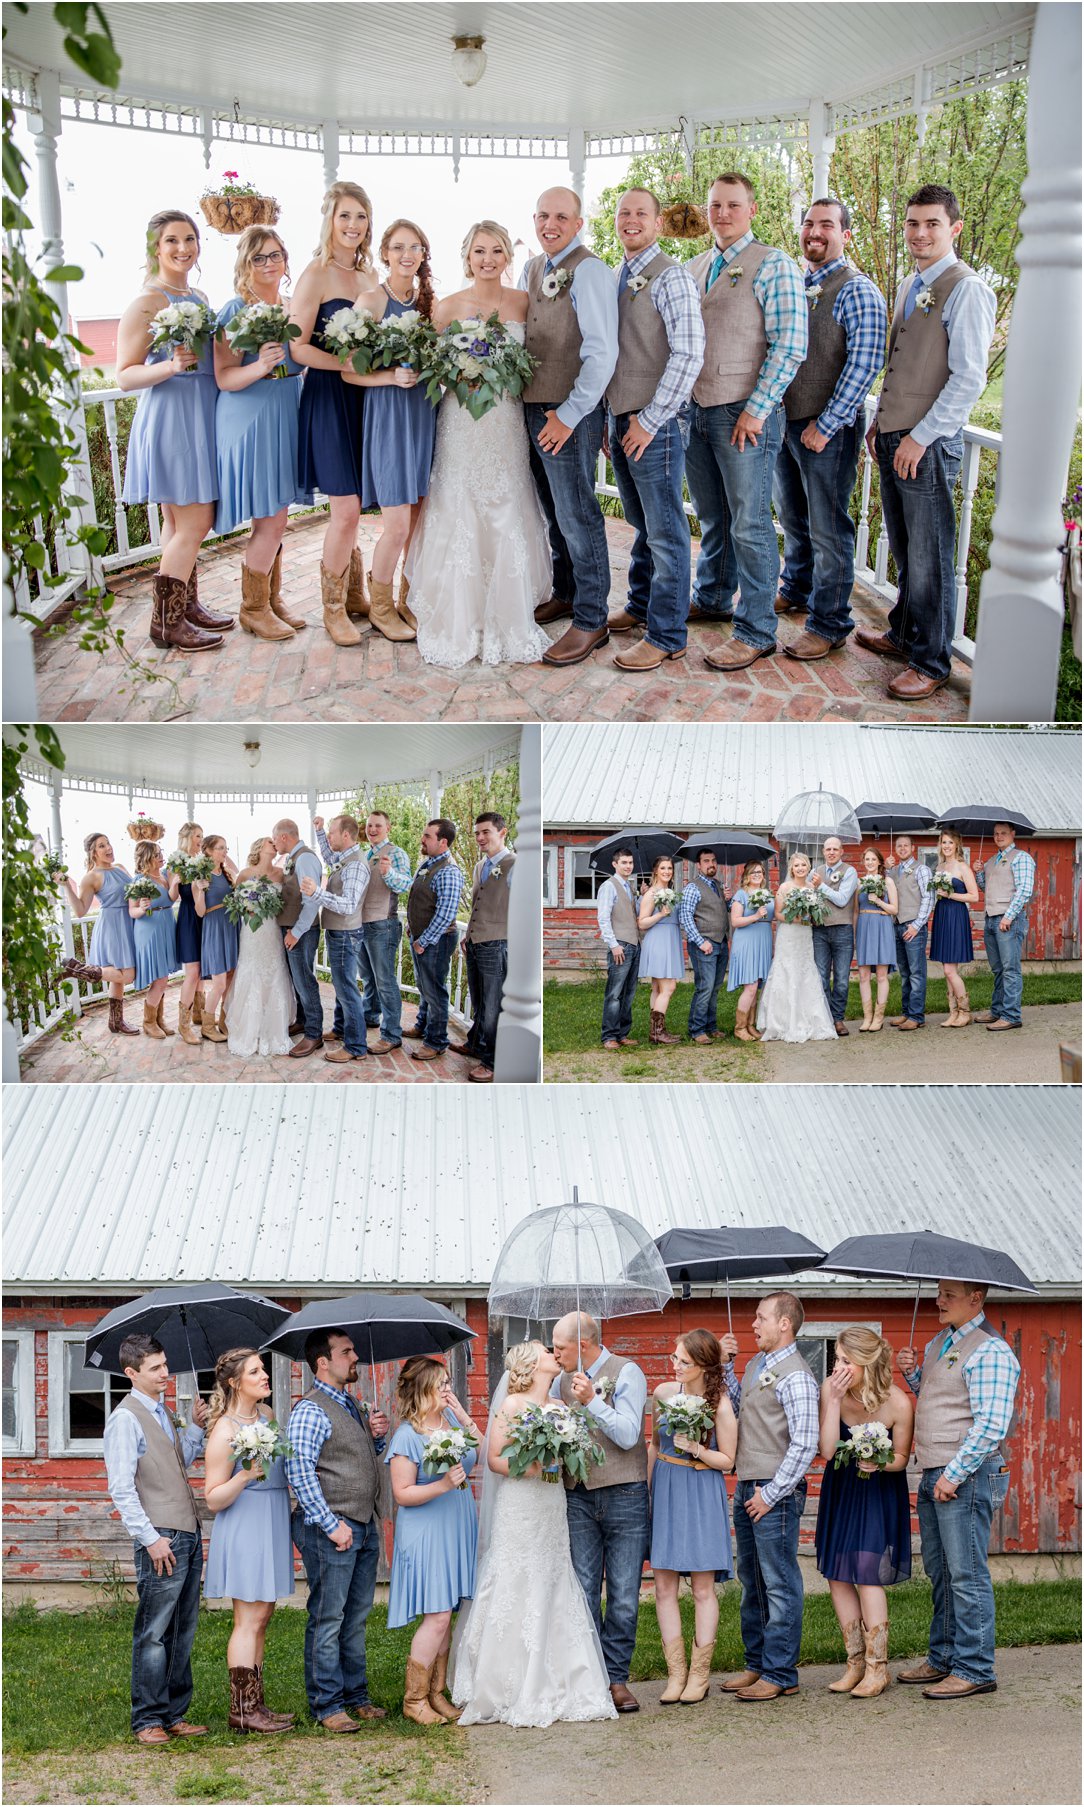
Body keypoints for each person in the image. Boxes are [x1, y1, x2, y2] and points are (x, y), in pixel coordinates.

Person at [856, 184, 997, 701]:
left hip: (928, 444)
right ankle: (903, 632)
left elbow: (967, 379)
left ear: (954, 228)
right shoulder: (908, 285)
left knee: (931, 556)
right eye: (913, 223)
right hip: (896, 434)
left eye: (931, 224)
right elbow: (904, 364)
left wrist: (919, 436)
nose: (919, 233)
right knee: (905, 545)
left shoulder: (968, 289)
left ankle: (931, 660)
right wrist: (882, 422)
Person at [405, 220, 551, 666]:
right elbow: (431, 366)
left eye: (497, 251)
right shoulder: (447, 309)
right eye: (479, 252)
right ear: (467, 257)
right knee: (461, 499)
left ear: (508, 257)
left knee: (507, 498)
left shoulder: (525, 303)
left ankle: (508, 603)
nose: (488, 260)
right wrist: (460, 372)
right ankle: (458, 606)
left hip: (506, 420)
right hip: (463, 420)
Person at [450, 1341, 617, 1726]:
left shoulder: (559, 1408)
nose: (553, 1356)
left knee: (553, 1575)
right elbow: (494, 1460)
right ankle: (506, 1683)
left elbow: (564, 1457)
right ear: (530, 1364)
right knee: (516, 1577)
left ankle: (564, 1679)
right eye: (546, 1352)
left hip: (551, 1504)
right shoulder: (511, 1405)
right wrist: (532, 1467)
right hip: (521, 1504)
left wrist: (563, 1456)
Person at [684, 173, 807, 673]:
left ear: (752, 210)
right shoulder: (695, 266)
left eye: (733, 205)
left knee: (751, 523)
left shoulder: (773, 264)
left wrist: (757, 408)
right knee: (712, 516)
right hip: (696, 408)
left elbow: (790, 344)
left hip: (744, 413)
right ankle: (713, 595)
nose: (723, 214)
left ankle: (755, 630)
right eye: (716, 206)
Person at [774, 198, 887, 662]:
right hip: (788, 421)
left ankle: (830, 623)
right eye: (808, 223)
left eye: (826, 225)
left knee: (828, 527)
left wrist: (828, 422)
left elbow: (866, 363)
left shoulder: (856, 289)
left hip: (828, 428)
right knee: (795, 519)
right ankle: (797, 588)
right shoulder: (797, 284)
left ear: (845, 234)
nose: (814, 232)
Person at [898, 1280, 1020, 1698]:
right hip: (937, 1472)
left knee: (966, 1573)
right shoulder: (939, 1344)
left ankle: (975, 1667)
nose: (938, 1300)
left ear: (976, 1299)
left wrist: (954, 1473)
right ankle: (944, 1656)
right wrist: (914, 1374)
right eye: (938, 1293)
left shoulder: (990, 1351)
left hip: (965, 1475)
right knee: (941, 1570)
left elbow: (989, 1425)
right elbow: (942, 1401)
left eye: (949, 1294)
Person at [117, 209, 232, 651]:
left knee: (175, 521)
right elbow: (124, 375)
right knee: (196, 519)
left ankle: (184, 607)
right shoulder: (147, 302)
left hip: (200, 411)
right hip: (173, 414)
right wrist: (171, 365)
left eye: (189, 239)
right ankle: (165, 624)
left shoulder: (199, 295)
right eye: (171, 241)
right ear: (155, 248)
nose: (183, 248)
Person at [605, 187, 704, 671]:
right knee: (642, 523)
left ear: (658, 222)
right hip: (621, 417)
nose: (631, 220)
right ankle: (642, 604)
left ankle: (667, 635)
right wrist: (611, 415)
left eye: (641, 213)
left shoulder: (672, 278)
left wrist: (648, 420)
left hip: (655, 424)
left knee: (666, 531)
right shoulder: (617, 275)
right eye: (624, 213)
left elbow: (689, 355)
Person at [521, 187, 619, 668]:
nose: (549, 224)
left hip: (568, 414)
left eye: (560, 216)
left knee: (579, 514)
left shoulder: (592, 270)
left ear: (578, 223)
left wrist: (569, 414)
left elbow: (602, 353)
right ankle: (566, 591)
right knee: (553, 511)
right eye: (542, 215)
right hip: (530, 408)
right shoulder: (533, 268)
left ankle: (591, 618)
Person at [101, 1334, 209, 1744]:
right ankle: (147, 1718)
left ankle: (174, 1714)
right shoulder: (125, 1418)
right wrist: (150, 1539)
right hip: (161, 1537)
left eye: (165, 1365)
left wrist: (195, 1430)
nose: (165, 1374)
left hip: (187, 1530)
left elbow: (176, 1463)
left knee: (182, 1628)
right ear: (131, 1373)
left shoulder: (163, 1413)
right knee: (153, 1631)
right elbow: (121, 1488)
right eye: (155, 1368)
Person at [285, 1330, 390, 1732]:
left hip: (362, 1524)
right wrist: (331, 1526)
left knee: (356, 1616)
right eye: (346, 1352)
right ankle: (327, 1704)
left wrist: (375, 1439)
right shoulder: (311, 1409)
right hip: (332, 1529)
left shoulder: (350, 1404)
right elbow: (300, 1471)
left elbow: (352, 1459)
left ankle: (356, 1695)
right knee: (329, 1617)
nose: (355, 1356)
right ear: (322, 1363)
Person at [291, 181, 381, 647]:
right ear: (330, 220)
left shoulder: (370, 279)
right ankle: (331, 609)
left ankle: (354, 594)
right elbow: (297, 345)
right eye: (345, 216)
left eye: (360, 216)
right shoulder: (315, 275)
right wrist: (341, 363)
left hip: (364, 398)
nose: (353, 225)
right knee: (345, 508)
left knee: (356, 506)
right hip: (328, 397)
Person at [213, 224, 312, 641]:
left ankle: (271, 598)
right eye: (259, 257)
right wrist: (260, 365)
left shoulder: (292, 307)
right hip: (251, 417)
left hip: (286, 412)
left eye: (275, 255)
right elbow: (223, 376)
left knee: (278, 516)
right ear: (245, 263)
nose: (269, 264)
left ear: (286, 261)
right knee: (269, 519)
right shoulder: (235, 310)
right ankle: (253, 608)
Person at [721, 1292, 819, 1700]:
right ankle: (757, 1663)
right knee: (753, 1581)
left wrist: (771, 1494)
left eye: (761, 1318)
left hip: (772, 1491)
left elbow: (805, 1443)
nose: (753, 1325)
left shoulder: (796, 1374)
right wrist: (727, 1368)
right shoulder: (758, 1364)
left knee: (779, 1583)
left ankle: (780, 1673)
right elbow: (747, 1410)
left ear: (785, 1324)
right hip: (748, 1483)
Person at [551, 1311, 650, 1714]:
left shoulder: (627, 1372)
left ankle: (617, 1679)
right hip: (577, 1496)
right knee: (585, 1591)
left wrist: (592, 1400)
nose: (555, 1354)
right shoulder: (559, 1381)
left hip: (625, 1492)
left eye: (560, 1347)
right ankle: (590, 1678)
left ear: (584, 1345)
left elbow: (628, 1435)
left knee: (624, 1595)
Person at [342, 218, 436, 639]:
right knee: (396, 523)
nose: (407, 255)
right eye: (398, 247)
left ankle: (406, 600)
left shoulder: (429, 303)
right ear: (384, 253)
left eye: (414, 247)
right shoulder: (370, 301)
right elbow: (348, 371)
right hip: (389, 415)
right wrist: (388, 378)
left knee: (417, 520)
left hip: (423, 414)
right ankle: (379, 606)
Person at [815, 1327, 914, 1699]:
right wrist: (836, 1399)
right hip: (841, 1487)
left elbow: (902, 1457)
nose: (837, 1366)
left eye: (845, 1361)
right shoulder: (831, 1389)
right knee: (838, 1576)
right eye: (835, 1359)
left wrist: (879, 1462)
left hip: (877, 1491)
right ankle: (854, 1662)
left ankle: (878, 1668)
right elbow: (826, 1450)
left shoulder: (898, 1403)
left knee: (868, 1574)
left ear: (867, 1363)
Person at [203, 1347, 295, 1733]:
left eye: (264, 1370)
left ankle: (256, 1703)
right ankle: (241, 1710)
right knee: (248, 1617)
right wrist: (243, 1476)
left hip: (271, 1516)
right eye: (255, 1372)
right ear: (234, 1382)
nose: (264, 1376)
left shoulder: (268, 1416)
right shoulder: (225, 1429)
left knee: (264, 1614)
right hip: (244, 1521)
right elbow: (212, 1498)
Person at [386, 1358, 479, 1724]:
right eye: (440, 1384)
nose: (446, 1389)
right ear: (422, 1389)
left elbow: (484, 1452)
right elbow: (402, 1493)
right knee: (437, 1615)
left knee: (447, 1612)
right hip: (426, 1530)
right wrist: (441, 1484)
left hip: (455, 1524)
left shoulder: (453, 1422)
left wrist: (464, 1416)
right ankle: (414, 1700)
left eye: (447, 1383)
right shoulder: (407, 1435)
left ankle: (436, 1693)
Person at [649, 1330, 737, 1706]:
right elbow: (654, 1444)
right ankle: (676, 1673)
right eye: (674, 1358)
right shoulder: (663, 1395)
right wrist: (649, 1493)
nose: (676, 1366)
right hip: (668, 1487)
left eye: (683, 1361)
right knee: (664, 1587)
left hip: (701, 1491)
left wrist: (698, 1447)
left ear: (703, 1365)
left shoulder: (721, 1405)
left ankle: (700, 1675)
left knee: (702, 1588)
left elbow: (728, 1461)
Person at [316, 810, 411, 1055]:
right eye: (369, 825)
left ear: (388, 828)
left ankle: (391, 1035)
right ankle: (368, 1018)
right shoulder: (364, 853)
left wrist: (389, 873)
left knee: (385, 981)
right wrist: (319, 832)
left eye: (378, 825)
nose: (372, 829)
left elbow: (406, 884)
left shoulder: (395, 853)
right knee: (366, 978)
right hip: (360, 924)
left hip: (382, 924)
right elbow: (332, 859)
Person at [299, 816, 371, 1065]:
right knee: (342, 987)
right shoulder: (344, 859)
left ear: (346, 835)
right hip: (339, 933)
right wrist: (319, 831)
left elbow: (350, 905)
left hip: (346, 933)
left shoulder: (356, 865)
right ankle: (341, 1029)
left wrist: (316, 893)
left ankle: (355, 1045)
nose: (329, 838)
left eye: (332, 833)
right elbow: (329, 856)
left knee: (347, 991)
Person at [59, 832, 138, 1035]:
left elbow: (135, 890)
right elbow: (80, 910)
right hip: (112, 927)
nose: (108, 848)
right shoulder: (91, 877)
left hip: (127, 922)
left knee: (118, 977)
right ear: (93, 852)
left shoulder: (120, 868)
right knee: (128, 975)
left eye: (108, 843)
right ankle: (81, 969)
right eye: (102, 846)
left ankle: (116, 1021)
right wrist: (67, 885)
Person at [755, 851, 836, 1043]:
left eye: (803, 865)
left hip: (805, 935)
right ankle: (782, 1022)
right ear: (792, 868)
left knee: (805, 971)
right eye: (797, 865)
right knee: (786, 971)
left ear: (808, 867)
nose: (800, 868)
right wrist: (795, 918)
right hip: (789, 934)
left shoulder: (812, 888)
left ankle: (810, 1020)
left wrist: (810, 916)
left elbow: (817, 914)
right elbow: (778, 914)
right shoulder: (785, 887)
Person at [226, 838, 293, 1060]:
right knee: (252, 968)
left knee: (273, 969)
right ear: (258, 848)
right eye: (269, 842)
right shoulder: (245, 874)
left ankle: (274, 1028)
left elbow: (287, 900)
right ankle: (249, 1029)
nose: (274, 844)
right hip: (252, 931)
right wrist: (248, 908)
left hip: (272, 929)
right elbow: (235, 902)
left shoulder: (281, 874)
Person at [404, 818, 465, 1063]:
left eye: (427, 836)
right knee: (424, 986)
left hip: (436, 942)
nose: (422, 839)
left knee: (435, 991)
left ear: (443, 842)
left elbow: (445, 914)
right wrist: (412, 925)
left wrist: (424, 940)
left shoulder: (449, 871)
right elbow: (421, 900)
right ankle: (423, 1025)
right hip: (421, 937)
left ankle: (437, 1041)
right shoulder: (427, 865)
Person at [461, 812, 515, 1083]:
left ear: (502, 832)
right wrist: (467, 934)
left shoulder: (515, 864)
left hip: (498, 943)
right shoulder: (479, 866)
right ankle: (476, 1043)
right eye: (477, 833)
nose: (480, 838)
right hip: (475, 941)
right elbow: (477, 904)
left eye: (486, 832)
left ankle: (493, 1062)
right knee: (480, 1001)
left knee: (494, 1005)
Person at [270, 819, 325, 1056]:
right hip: (293, 929)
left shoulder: (305, 858)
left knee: (305, 980)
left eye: (274, 839)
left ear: (284, 837)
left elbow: (311, 900)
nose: (273, 843)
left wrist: (296, 931)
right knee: (297, 979)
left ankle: (314, 1034)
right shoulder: (294, 858)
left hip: (301, 930)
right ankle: (303, 1020)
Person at [975, 822, 1036, 1031]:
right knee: (998, 969)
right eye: (996, 834)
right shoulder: (992, 860)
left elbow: (1024, 891)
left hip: (1009, 920)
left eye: (1003, 833)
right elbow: (987, 888)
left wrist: (1008, 917)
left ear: (1012, 834)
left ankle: (1011, 1015)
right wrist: (979, 873)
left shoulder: (1021, 858)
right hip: (991, 918)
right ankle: (997, 1010)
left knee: (1010, 969)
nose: (999, 836)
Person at [128, 839, 180, 1041]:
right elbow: (132, 911)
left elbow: (172, 898)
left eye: (160, 852)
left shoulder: (165, 874)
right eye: (156, 853)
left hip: (167, 923)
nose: (161, 856)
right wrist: (141, 908)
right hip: (149, 928)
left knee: (163, 975)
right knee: (160, 978)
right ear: (147, 857)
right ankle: (149, 1022)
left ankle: (158, 1020)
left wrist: (174, 883)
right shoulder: (139, 880)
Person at [165, 823, 212, 1045]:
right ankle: (183, 1026)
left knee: (202, 970)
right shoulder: (176, 863)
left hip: (205, 917)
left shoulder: (203, 862)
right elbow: (172, 897)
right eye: (197, 836)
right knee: (192, 972)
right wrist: (175, 882)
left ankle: (198, 1014)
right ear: (187, 838)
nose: (201, 840)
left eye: (202, 836)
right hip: (187, 918)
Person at [929, 828, 979, 1027]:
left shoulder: (962, 867)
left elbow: (974, 896)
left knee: (951, 970)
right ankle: (953, 1012)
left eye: (950, 842)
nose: (946, 846)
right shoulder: (940, 867)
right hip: (942, 914)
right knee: (946, 970)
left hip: (956, 916)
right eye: (943, 842)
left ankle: (965, 1012)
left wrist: (951, 895)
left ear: (957, 844)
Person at [678, 849, 729, 1043]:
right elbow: (686, 917)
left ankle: (711, 1026)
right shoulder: (693, 887)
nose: (711, 864)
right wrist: (701, 942)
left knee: (715, 987)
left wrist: (728, 900)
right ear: (698, 865)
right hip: (704, 945)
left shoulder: (718, 885)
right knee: (704, 987)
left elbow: (719, 911)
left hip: (721, 942)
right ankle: (697, 1029)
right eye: (706, 861)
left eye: (713, 860)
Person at [884, 835, 932, 1031]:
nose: (902, 848)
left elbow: (928, 898)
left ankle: (916, 1015)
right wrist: (886, 869)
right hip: (897, 925)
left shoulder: (922, 870)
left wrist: (917, 925)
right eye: (899, 846)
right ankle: (906, 1012)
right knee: (904, 973)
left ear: (913, 847)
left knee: (916, 972)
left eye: (906, 845)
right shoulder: (894, 871)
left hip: (913, 926)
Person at [811, 835, 858, 1035]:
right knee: (821, 977)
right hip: (820, 930)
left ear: (841, 852)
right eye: (828, 849)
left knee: (841, 978)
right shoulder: (815, 872)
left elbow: (841, 900)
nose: (831, 852)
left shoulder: (849, 871)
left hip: (842, 930)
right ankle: (825, 1019)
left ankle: (838, 1019)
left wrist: (820, 886)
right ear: (823, 852)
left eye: (835, 849)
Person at [193, 835, 237, 1045]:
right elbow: (200, 912)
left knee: (229, 979)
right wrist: (200, 891)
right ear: (208, 851)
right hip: (214, 929)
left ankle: (224, 1022)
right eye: (220, 848)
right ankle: (207, 1027)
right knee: (219, 984)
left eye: (225, 848)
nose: (224, 851)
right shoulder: (201, 876)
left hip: (230, 927)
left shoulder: (225, 873)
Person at [596, 848, 642, 1050]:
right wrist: (613, 945)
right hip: (620, 946)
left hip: (634, 944)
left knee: (629, 992)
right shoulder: (609, 886)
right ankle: (609, 1036)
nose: (628, 866)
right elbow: (603, 918)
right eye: (624, 862)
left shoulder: (629, 887)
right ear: (615, 864)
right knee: (614, 993)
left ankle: (623, 1033)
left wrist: (642, 896)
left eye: (630, 863)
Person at [637, 854, 683, 1044]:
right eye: (663, 868)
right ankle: (657, 1032)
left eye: (670, 868)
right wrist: (661, 915)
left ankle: (656, 1030)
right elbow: (642, 923)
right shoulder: (652, 894)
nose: (667, 871)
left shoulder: (669, 891)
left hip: (670, 938)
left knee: (657, 987)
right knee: (669, 986)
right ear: (656, 870)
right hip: (659, 940)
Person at [728, 859, 774, 1043]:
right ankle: (739, 1027)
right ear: (747, 875)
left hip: (763, 940)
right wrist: (755, 916)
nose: (757, 875)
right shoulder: (741, 894)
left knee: (757, 986)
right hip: (747, 940)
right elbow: (735, 921)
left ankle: (750, 1025)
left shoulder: (767, 894)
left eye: (760, 872)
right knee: (751, 986)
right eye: (753, 872)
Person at [853, 847, 898, 1032]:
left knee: (881, 974)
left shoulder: (887, 881)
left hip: (882, 925)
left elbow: (895, 909)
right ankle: (867, 1016)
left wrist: (878, 901)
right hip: (864, 925)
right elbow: (855, 911)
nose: (870, 862)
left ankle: (879, 1017)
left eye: (873, 859)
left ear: (879, 862)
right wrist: (855, 934)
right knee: (863, 975)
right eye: (867, 859)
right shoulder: (859, 883)